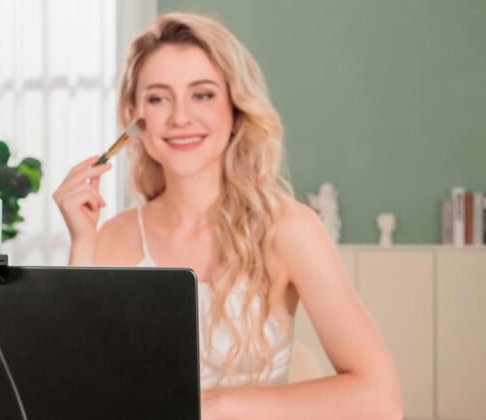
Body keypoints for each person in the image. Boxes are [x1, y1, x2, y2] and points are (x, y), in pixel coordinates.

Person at [53, 12, 402, 419]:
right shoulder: (112, 237)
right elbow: (74, 394)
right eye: (159, 98)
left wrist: (211, 405)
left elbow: (379, 400)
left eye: (202, 95)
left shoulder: (289, 229)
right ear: (136, 118)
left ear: (234, 107)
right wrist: (82, 243)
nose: (180, 117)